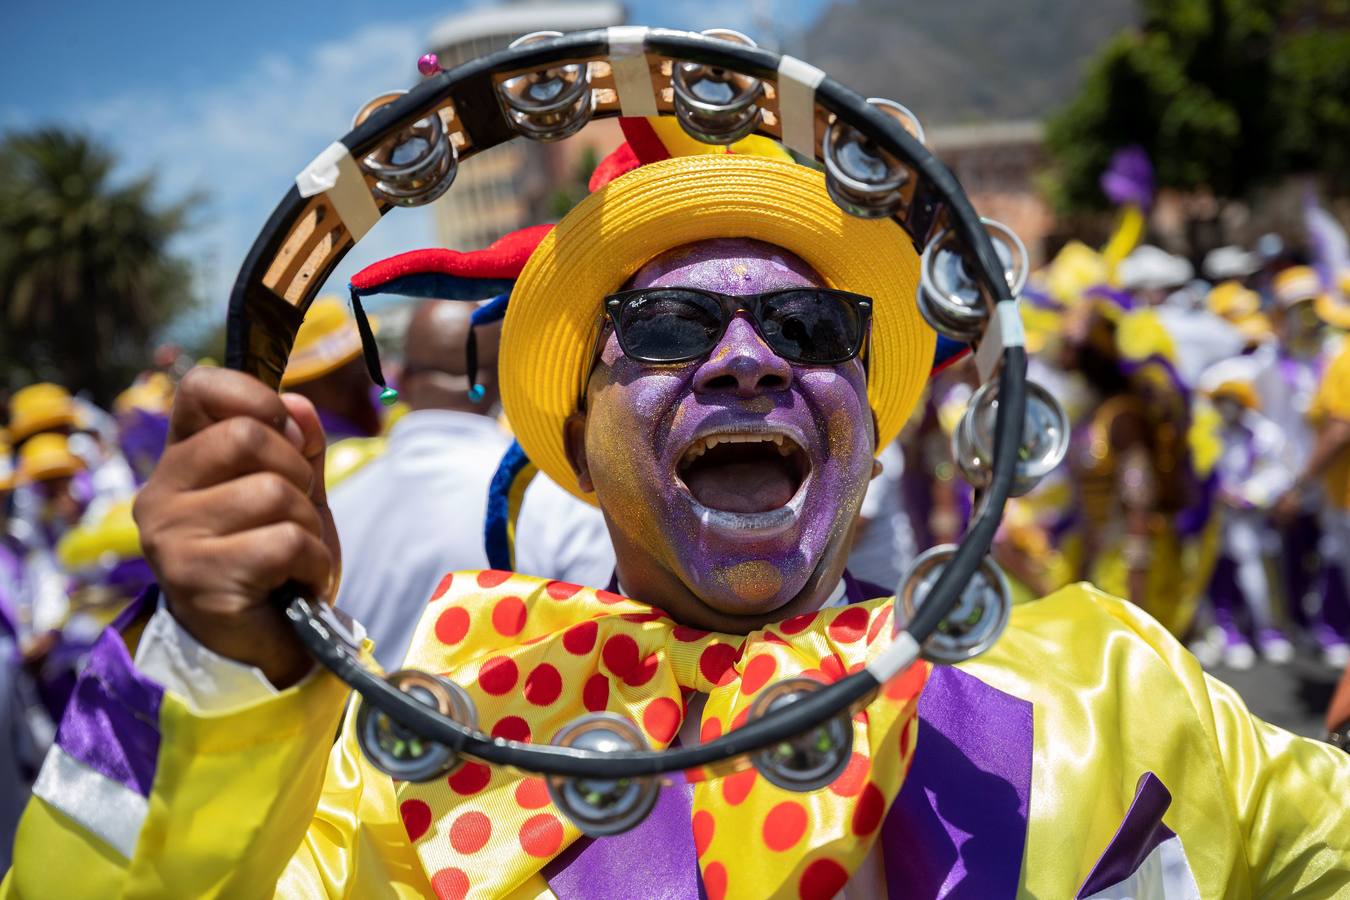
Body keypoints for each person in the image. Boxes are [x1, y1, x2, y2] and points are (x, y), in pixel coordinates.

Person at [7, 119, 1348, 899]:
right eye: (666, 325)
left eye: (808, 324)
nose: (748, 358)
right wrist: (194, 672)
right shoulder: (416, 752)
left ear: (871, 440)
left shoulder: (1109, 682)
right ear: (576, 450)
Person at [331, 300, 613, 670]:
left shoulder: (337, 504)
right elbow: (602, 648)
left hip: (363, 726)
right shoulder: (565, 497)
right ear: (501, 380)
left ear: (399, 381)